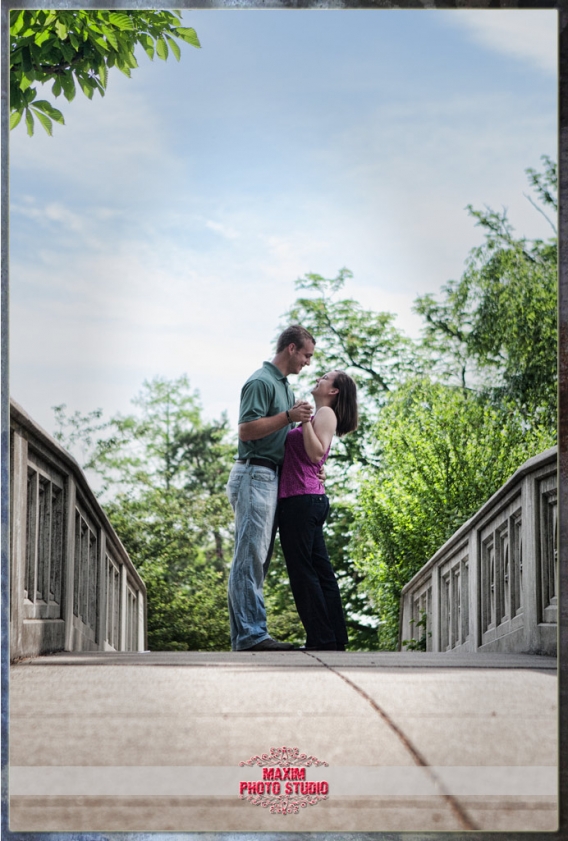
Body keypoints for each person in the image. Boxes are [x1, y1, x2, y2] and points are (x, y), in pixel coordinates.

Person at [226, 325, 316, 651]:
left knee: (255, 561)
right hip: (254, 475)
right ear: (291, 348)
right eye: (306, 355)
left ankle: (245, 637)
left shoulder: (284, 388)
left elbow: (285, 440)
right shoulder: (261, 382)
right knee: (248, 559)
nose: (308, 362)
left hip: (269, 478)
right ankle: (252, 636)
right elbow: (246, 431)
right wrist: (288, 415)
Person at [277, 370, 358, 651]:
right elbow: (316, 459)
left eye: (325, 377)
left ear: (333, 391)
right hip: (308, 499)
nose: (319, 378)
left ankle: (321, 639)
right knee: (320, 571)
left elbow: (315, 454)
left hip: (301, 501)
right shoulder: (320, 416)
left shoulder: (324, 414)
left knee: (303, 573)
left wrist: (303, 422)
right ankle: (332, 638)